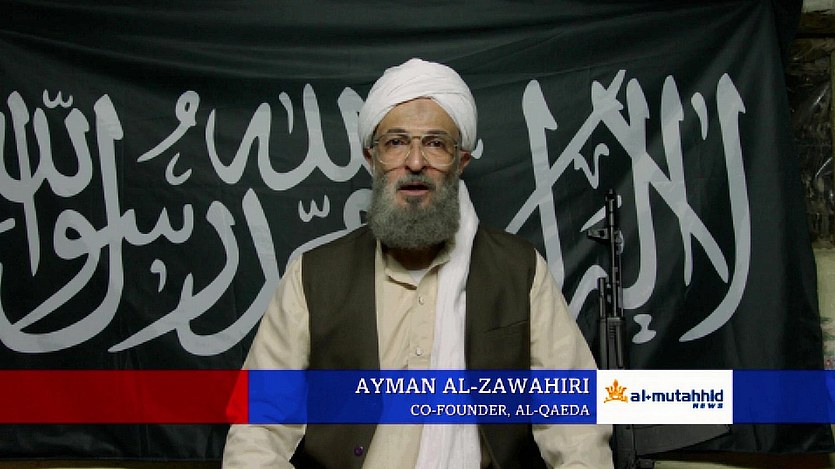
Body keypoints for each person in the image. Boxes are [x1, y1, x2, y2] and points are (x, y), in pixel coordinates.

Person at [222, 58, 613, 468]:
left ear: (460, 162)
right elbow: (257, 431)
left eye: (435, 144)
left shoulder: (520, 271)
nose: (414, 162)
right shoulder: (313, 277)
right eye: (396, 142)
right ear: (372, 158)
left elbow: (578, 426)